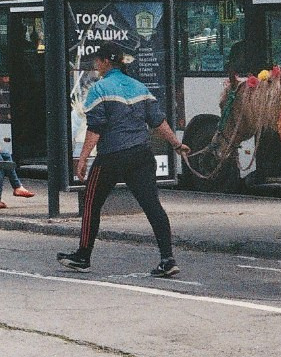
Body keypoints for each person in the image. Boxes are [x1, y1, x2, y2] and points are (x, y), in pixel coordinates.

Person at [57, 41, 192, 277]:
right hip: (141, 154)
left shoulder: (99, 89)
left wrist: (82, 159)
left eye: (98, 61)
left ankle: (83, 256)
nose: (96, 65)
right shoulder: (139, 87)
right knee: (152, 206)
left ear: (106, 62)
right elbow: (158, 121)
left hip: (112, 156)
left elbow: (95, 129)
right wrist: (177, 145)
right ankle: (168, 259)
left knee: (91, 202)